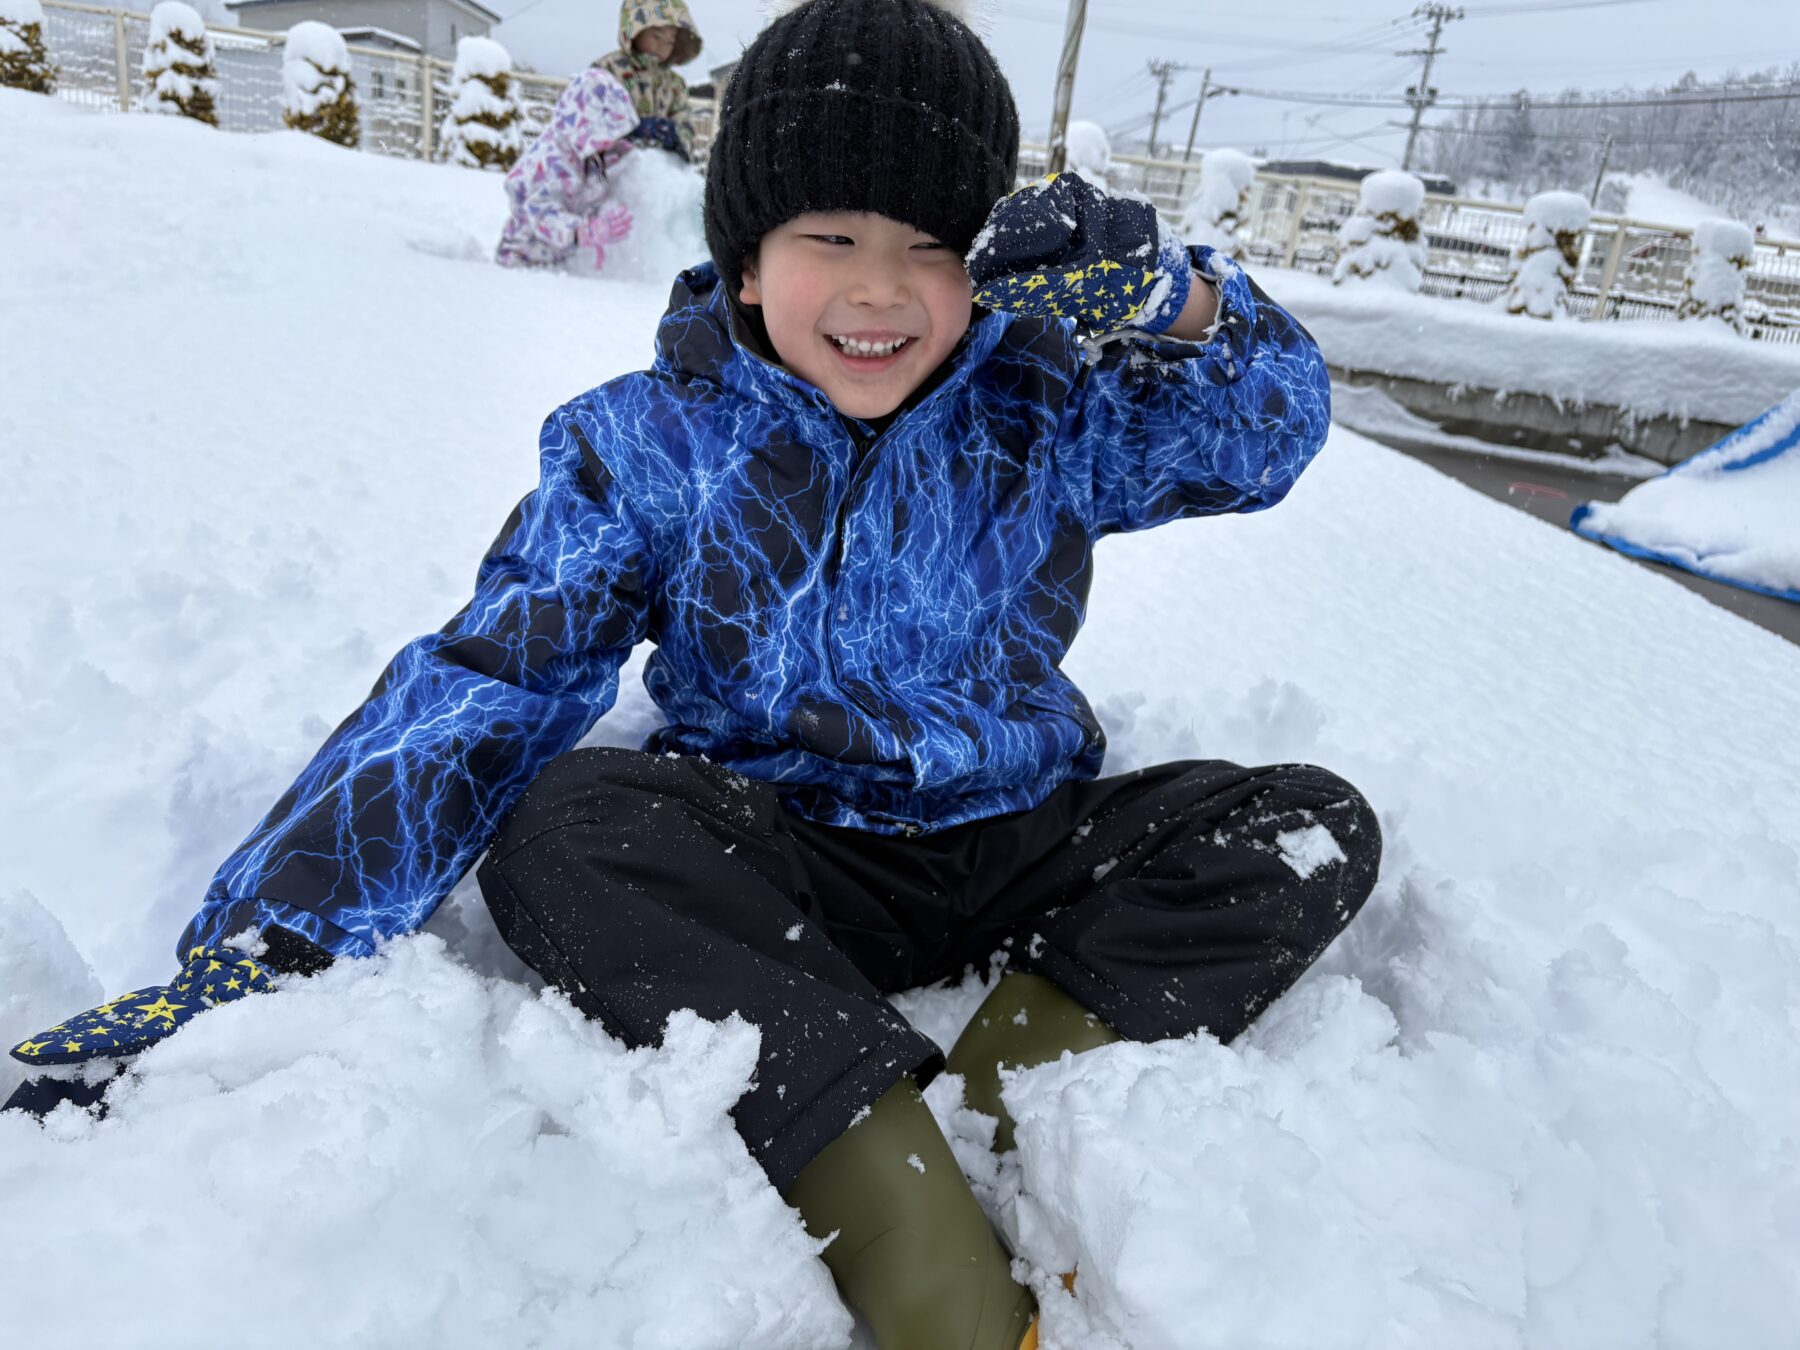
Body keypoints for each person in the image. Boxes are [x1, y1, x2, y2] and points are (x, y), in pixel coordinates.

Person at [8, 2, 1380, 1346]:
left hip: (1009, 839)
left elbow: (1266, 433)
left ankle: (994, 1109)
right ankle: (908, 1226)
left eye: (928, 247)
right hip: (780, 862)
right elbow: (491, 678)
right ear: (746, 261)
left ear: (986, 269)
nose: (879, 288)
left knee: (1308, 825)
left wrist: (1175, 297)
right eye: (829, 238)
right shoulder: (651, 444)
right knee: (566, 825)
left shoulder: (1050, 409)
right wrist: (266, 947)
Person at [495, 66, 639, 271]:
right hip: (524, 257)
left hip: (560, 255)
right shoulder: (551, 161)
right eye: (607, 135)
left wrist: (619, 156)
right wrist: (582, 232)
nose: (612, 141)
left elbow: (586, 188)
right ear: (586, 128)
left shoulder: (585, 150)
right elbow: (541, 215)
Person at [592, 0, 703, 161]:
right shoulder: (608, 70)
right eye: (656, 36)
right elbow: (590, 119)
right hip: (613, 166)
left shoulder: (674, 84)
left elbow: (684, 122)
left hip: (657, 168)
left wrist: (678, 138)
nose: (662, 47)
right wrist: (633, 130)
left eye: (670, 42)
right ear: (634, 30)